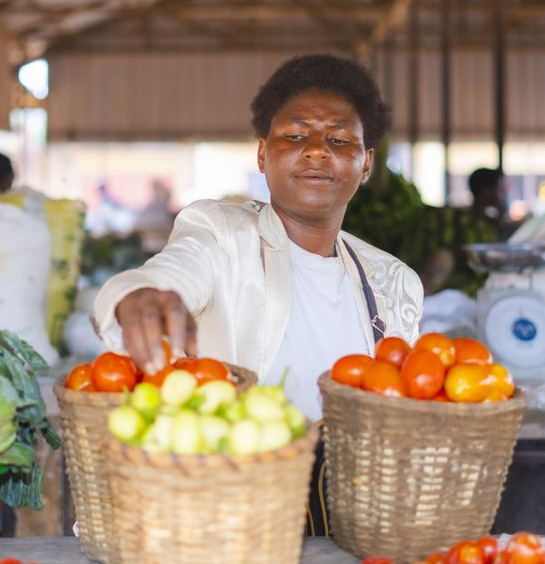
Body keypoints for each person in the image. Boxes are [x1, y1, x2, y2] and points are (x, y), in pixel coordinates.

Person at [94, 54, 422, 421]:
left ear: (366, 164)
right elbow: (170, 272)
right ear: (263, 154)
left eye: (340, 139)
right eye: (295, 136)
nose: (317, 149)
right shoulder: (221, 234)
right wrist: (136, 294)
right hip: (242, 473)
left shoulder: (395, 283)